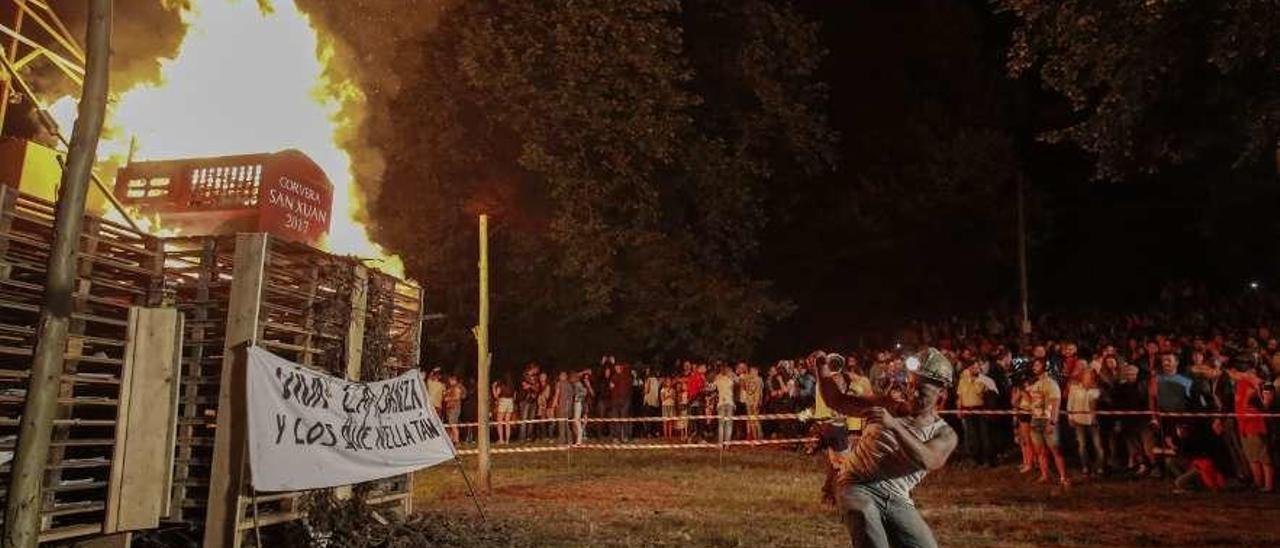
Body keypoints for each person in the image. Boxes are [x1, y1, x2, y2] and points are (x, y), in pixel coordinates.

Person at [818, 347, 958, 548]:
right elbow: (837, 400)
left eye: (923, 390)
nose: (913, 393)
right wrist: (821, 369)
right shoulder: (888, 405)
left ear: (942, 391)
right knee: (867, 521)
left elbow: (928, 459)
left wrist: (894, 425)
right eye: (911, 385)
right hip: (856, 483)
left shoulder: (944, 434)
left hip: (896, 497)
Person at [1027, 358, 1070, 486]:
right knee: (1040, 450)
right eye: (1033, 365)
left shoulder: (1051, 384)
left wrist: (1052, 422)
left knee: (1055, 450)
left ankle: (1063, 477)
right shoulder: (1035, 384)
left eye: (1037, 365)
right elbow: (1034, 402)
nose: (1034, 367)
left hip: (1047, 420)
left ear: (1044, 367)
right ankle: (1044, 475)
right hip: (1035, 419)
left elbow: (1055, 403)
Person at [1067, 368, 1105, 476]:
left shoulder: (1097, 390)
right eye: (1086, 376)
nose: (1088, 378)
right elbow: (1070, 403)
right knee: (1082, 445)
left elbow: (1096, 405)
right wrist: (1070, 417)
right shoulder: (1074, 388)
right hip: (1079, 420)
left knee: (1097, 445)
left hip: (1093, 421)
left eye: (1090, 376)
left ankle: (1099, 467)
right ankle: (1085, 467)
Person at [714, 364, 737, 445]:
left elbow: (712, 387)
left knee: (722, 424)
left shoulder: (719, 378)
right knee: (727, 424)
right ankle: (726, 444)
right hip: (728, 403)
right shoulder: (730, 378)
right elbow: (738, 382)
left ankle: (722, 444)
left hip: (723, 403)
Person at [741, 365, 764, 441]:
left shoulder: (759, 380)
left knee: (755, 419)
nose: (752, 373)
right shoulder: (747, 378)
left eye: (753, 371)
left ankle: (759, 436)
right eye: (751, 371)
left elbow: (758, 392)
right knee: (750, 419)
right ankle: (753, 437)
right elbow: (743, 386)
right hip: (748, 401)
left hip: (755, 401)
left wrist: (756, 402)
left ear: (756, 371)